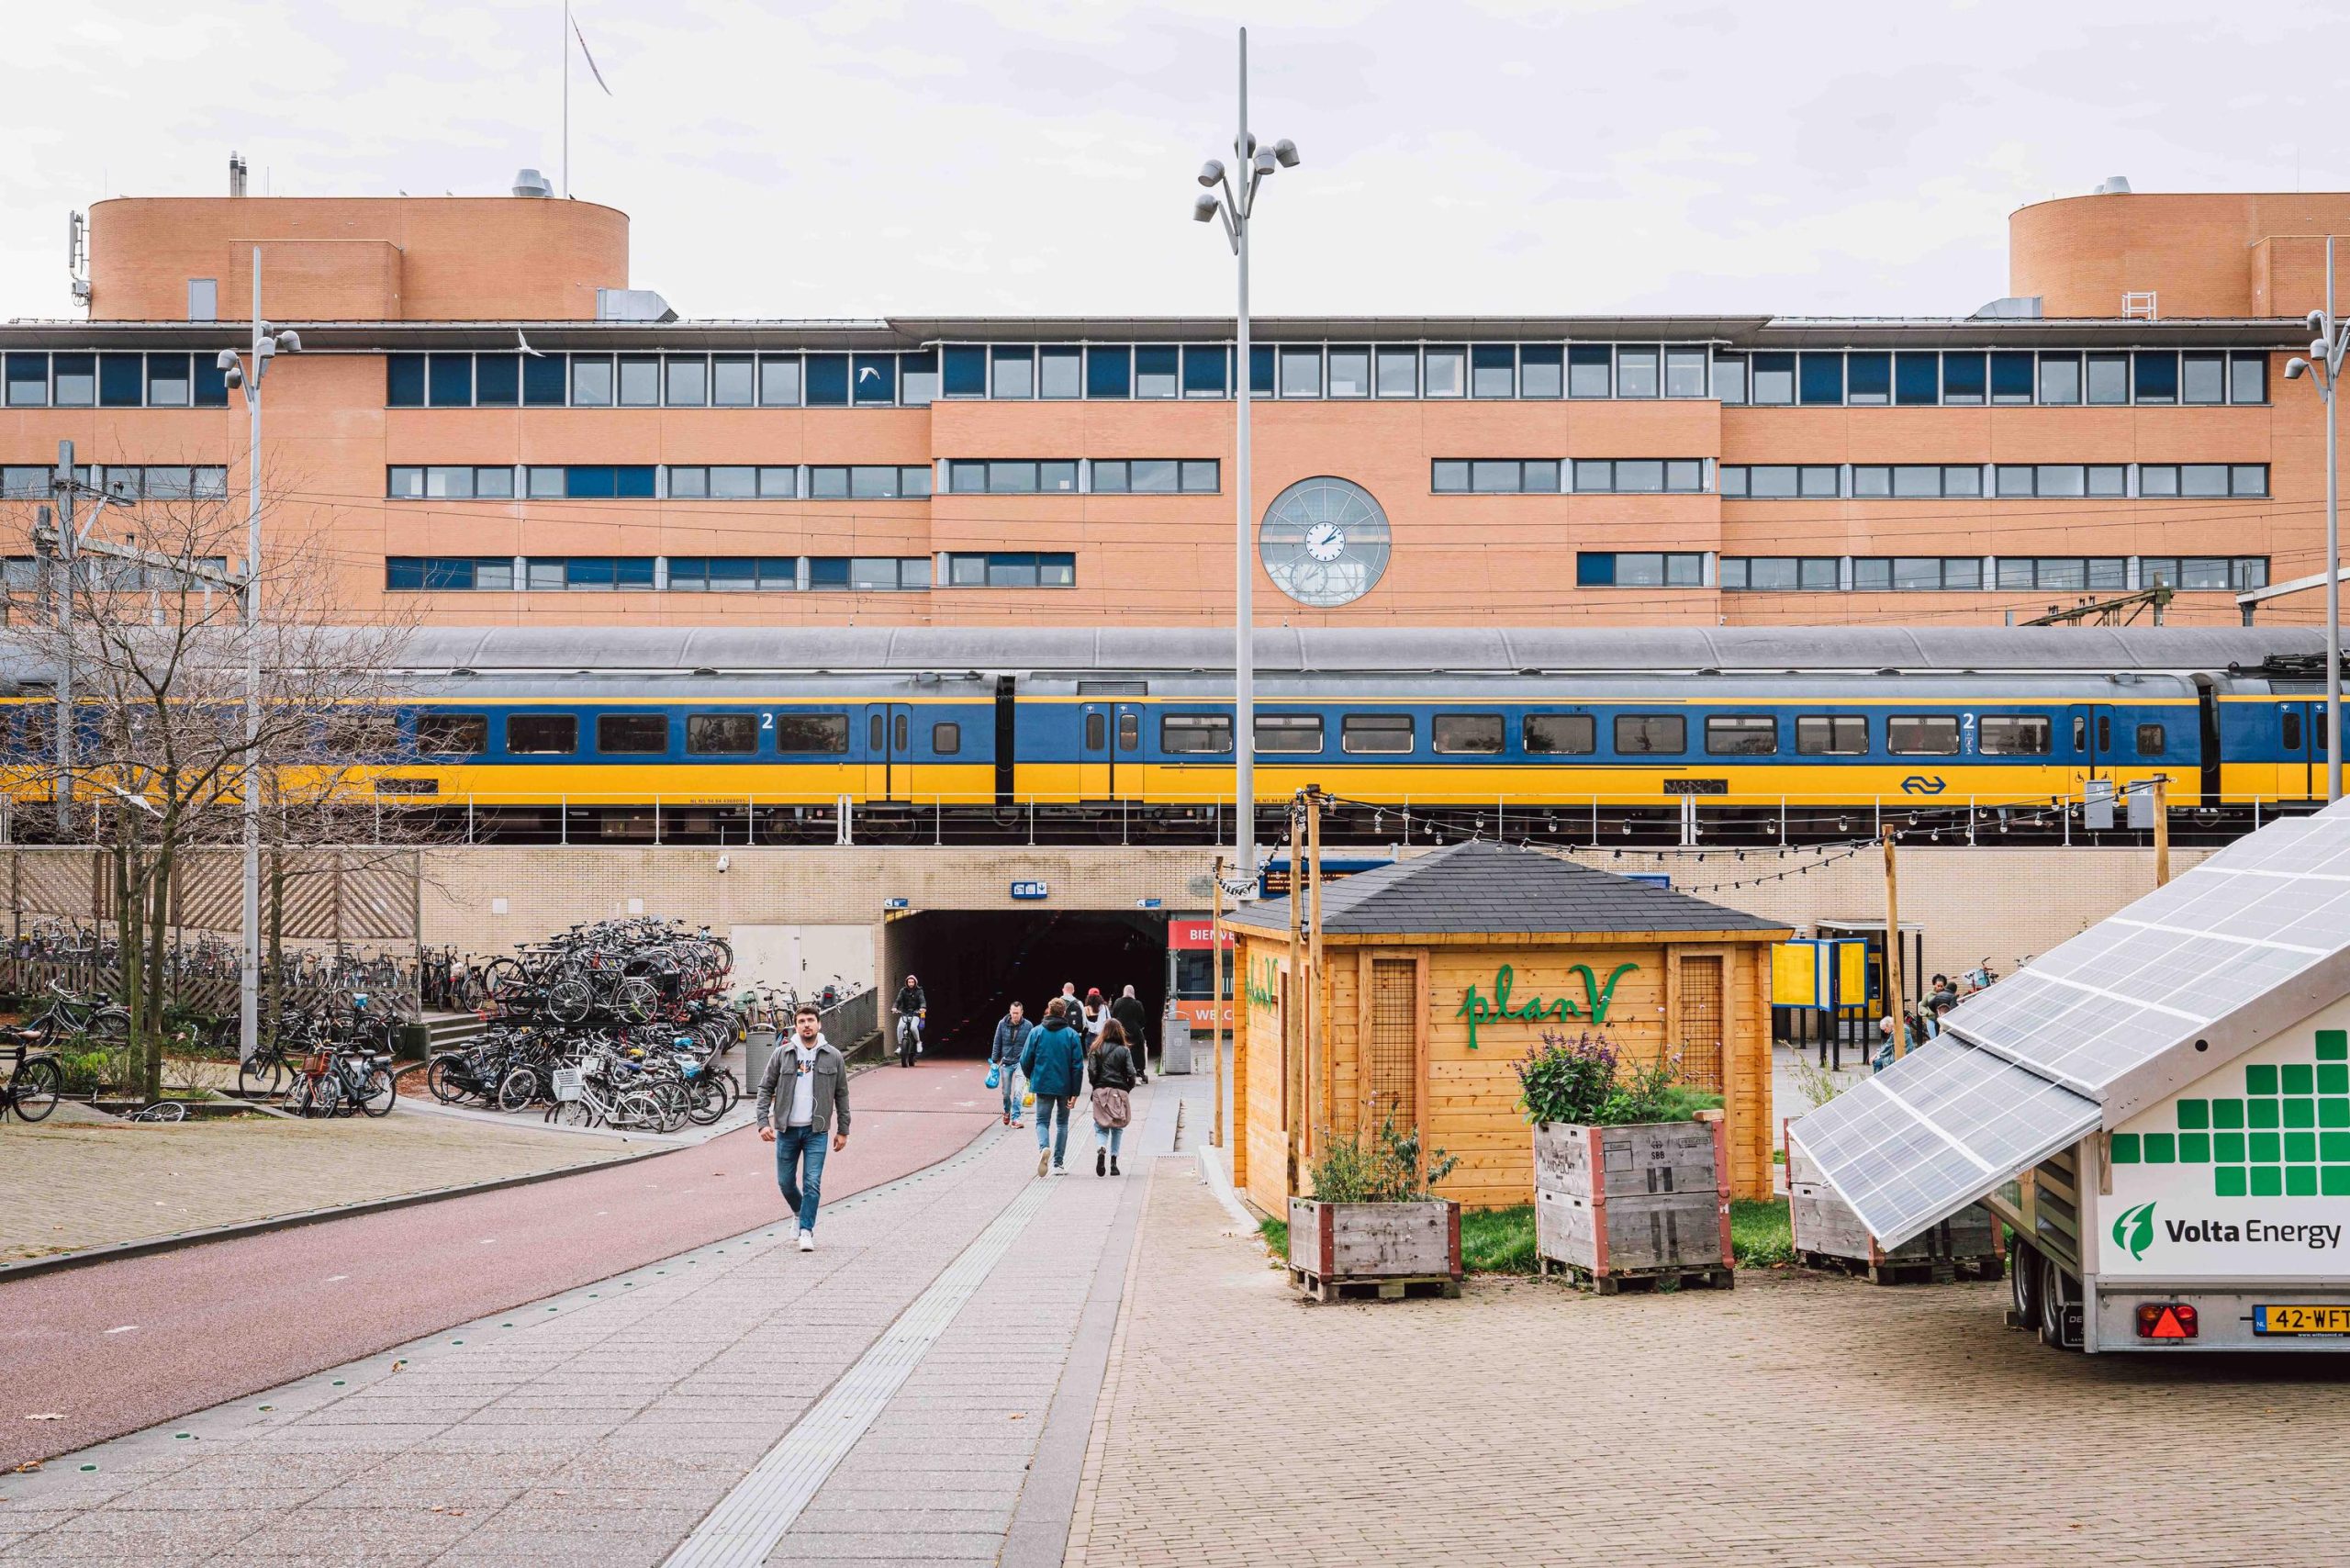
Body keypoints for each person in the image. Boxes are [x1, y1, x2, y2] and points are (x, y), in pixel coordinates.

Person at [755, 1002, 850, 1251]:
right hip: (787, 1129)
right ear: (795, 1026)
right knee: (785, 1183)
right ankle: (799, 1212)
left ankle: (806, 1230)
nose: (806, 1025)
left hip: (816, 1130)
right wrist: (763, 1122)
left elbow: (842, 1094)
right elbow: (765, 1088)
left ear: (819, 1024)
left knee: (812, 1183)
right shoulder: (782, 1054)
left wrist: (843, 1130)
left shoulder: (833, 1056)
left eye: (810, 1020)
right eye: (801, 1021)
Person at [1020, 998, 1088, 1177]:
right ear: (1064, 1013)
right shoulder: (1072, 1035)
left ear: (1048, 1011)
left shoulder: (1036, 1032)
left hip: (1043, 1083)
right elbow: (1078, 1066)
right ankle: (1058, 1164)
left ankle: (1044, 1147)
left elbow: (1025, 1059)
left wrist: (1032, 1076)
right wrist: (1075, 1092)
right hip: (1065, 1086)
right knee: (1062, 1123)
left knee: (1042, 1121)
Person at [1088, 1018, 1140, 1177]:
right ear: (1120, 1032)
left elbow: (1092, 1071)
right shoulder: (1124, 1050)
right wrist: (1127, 1088)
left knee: (1100, 1125)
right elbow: (1131, 1073)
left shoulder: (1095, 1048)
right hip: (1119, 1091)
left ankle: (1101, 1147)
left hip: (1100, 1091)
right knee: (1118, 1126)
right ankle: (1114, 1163)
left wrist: (1096, 1086)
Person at [990, 1000, 1034, 1128]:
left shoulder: (1028, 1026)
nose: (1015, 1015)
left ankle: (1016, 1118)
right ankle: (1007, 1111)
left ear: (1022, 1012)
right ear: (1010, 1012)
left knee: (1018, 1091)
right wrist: (994, 1061)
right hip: (1006, 1062)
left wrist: (1032, 1062)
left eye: (1017, 1013)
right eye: (1013, 1013)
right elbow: (997, 1042)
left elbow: (1032, 1045)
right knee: (1006, 1093)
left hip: (1021, 1061)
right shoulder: (1002, 1024)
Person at [892, 973, 927, 1067]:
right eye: (909, 982)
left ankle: (918, 1042)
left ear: (915, 983)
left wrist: (923, 1008)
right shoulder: (903, 990)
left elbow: (922, 1000)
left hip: (916, 1013)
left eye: (912, 982)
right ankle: (900, 1046)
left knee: (913, 1027)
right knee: (900, 1027)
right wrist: (894, 1007)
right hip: (905, 1013)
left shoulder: (919, 991)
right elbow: (898, 1000)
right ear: (906, 983)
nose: (911, 983)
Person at [1111, 984, 1148, 1062]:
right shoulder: (1137, 1003)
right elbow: (1142, 1019)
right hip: (1134, 1031)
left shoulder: (1118, 1002)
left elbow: (1113, 1016)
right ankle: (1137, 1067)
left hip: (1120, 1030)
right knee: (1137, 1051)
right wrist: (1139, 1027)